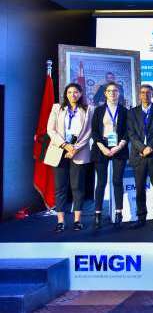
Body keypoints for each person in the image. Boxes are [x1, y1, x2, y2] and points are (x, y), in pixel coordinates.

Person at [47, 82, 93, 232]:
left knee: (77, 187)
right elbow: (51, 130)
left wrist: (75, 148)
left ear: (80, 94)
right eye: (69, 92)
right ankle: (60, 221)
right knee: (60, 188)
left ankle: (77, 220)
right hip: (59, 151)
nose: (72, 95)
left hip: (79, 152)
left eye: (75, 92)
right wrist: (65, 145)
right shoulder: (57, 108)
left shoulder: (88, 109)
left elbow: (89, 132)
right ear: (65, 94)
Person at [127, 84, 153, 229]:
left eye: (148, 93)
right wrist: (142, 148)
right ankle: (141, 217)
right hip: (138, 155)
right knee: (139, 188)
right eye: (143, 93)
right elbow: (131, 133)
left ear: (152, 94)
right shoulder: (132, 112)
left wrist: (150, 147)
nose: (145, 95)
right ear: (139, 95)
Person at [91, 81, 128, 229]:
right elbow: (94, 131)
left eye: (115, 91)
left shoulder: (124, 111)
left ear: (119, 93)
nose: (112, 93)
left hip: (119, 148)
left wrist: (119, 146)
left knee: (117, 181)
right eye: (110, 91)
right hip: (101, 147)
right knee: (101, 182)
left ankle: (119, 213)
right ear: (105, 93)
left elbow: (127, 131)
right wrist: (102, 148)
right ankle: (97, 214)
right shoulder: (98, 110)